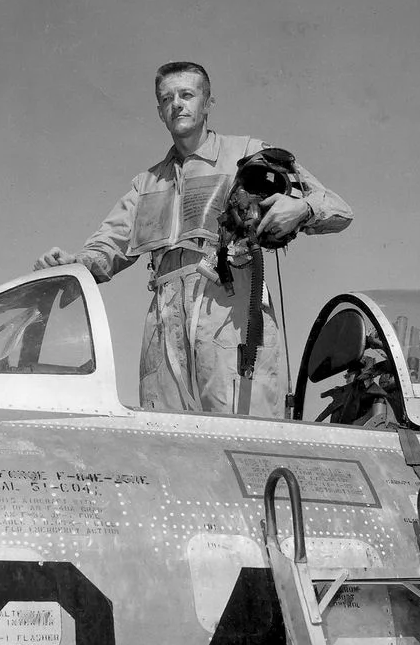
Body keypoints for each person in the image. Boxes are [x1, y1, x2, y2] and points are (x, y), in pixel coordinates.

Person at [34, 61, 352, 418]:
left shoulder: (246, 154)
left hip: (230, 312)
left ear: (207, 104)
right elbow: (108, 247)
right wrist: (72, 263)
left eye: (187, 95)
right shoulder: (148, 184)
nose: (177, 104)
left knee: (243, 433)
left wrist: (302, 209)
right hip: (164, 325)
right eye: (167, 98)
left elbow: (338, 210)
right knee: (169, 440)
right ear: (159, 112)